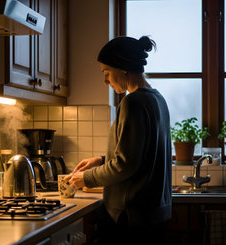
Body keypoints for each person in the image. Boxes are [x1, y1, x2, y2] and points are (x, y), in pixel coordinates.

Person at [65, 36, 172, 245]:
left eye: (106, 73)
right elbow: (141, 154)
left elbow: (125, 165)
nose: (105, 81)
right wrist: (102, 160)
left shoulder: (133, 102)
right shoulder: (158, 99)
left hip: (130, 216)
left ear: (123, 68)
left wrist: (86, 178)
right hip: (152, 216)